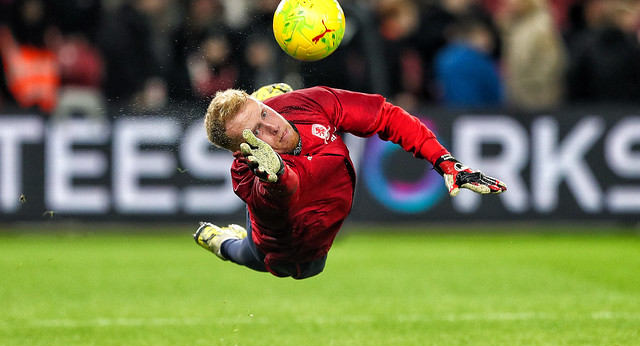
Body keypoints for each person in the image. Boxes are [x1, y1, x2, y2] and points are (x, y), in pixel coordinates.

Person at [193, 83, 506, 279]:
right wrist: (276, 177)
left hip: (317, 208)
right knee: (257, 256)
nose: (272, 126)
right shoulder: (246, 175)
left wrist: (445, 162)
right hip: (292, 250)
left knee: (281, 99)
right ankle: (224, 244)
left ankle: (260, 101)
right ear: (240, 150)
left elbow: (387, 116)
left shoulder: (306, 103)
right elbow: (283, 195)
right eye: (256, 132)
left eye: (263, 113)